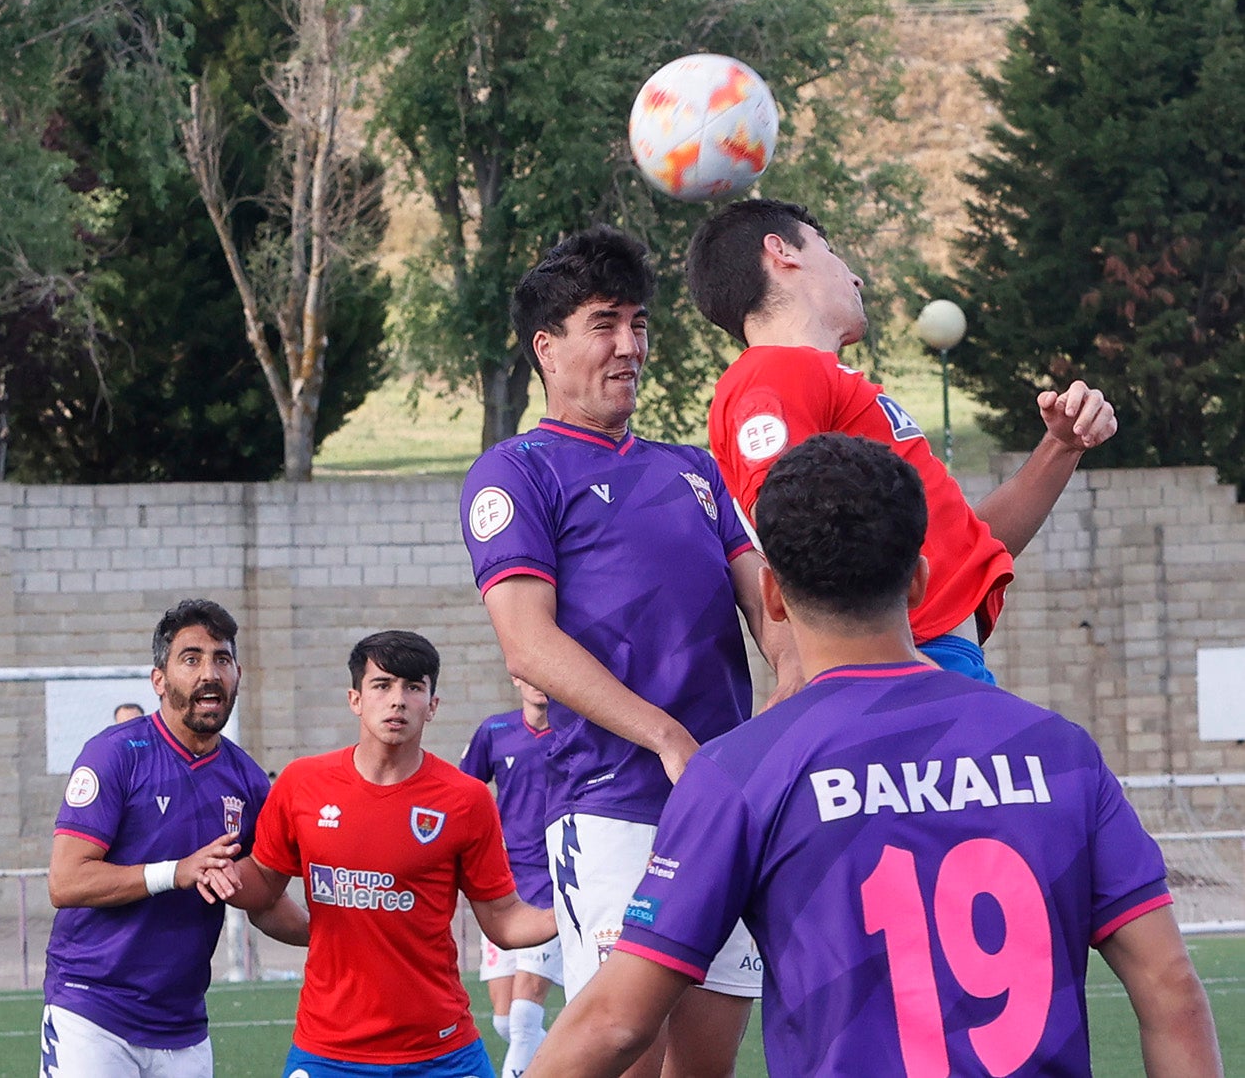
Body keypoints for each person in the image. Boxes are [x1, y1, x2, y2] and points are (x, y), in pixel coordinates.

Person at [525, 433, 1223, 1078]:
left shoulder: (741, 774)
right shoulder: (1059, 751)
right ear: (918, 581)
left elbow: (617, 1023)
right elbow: (1170, 989)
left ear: (771, 595)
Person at [460, 226, 785, 1078]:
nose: (630, 345)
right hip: (611, 811)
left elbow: (775, 615)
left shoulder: (695, 470)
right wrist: (668, 738)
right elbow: (528, 643)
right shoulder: (516, 472)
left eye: (638, 324)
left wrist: (789, 712)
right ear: (546, 348)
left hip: (721, 811)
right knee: (623, 1056)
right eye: (604, 324)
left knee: (704, 1070)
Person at [686, 198, 1120, 683]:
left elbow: (970, 546)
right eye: (829, 251)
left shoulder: (823, 381)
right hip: (908, 663)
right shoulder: (776, 370)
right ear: (781, 252)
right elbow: (794, 531)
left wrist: (1061, 446)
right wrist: (892, 666)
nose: (855, 278)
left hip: (933, 656)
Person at [200, 630, 557, 1078]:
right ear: (355, 699)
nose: (398, 700)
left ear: (432, 705)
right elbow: (264, 887)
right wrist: (210, 871)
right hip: (328, 1051)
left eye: (413, 687)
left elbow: (503, 920)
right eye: (382, 685)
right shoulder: (301, 783)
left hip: (442, 1052)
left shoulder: (466, 799)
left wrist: (573, 914)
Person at [41, 598, 309, 1078]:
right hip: (92, 1010)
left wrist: (333, 935)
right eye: (191, 659)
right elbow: (66, 881)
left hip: (183, 1025)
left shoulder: (248, 781)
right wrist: (176, 872)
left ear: (238, 675)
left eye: (221, 659)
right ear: (159, 680)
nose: (210, 673)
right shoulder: (115, 755)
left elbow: (263, 899)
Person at [460, 677, 564, 1077]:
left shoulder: (575, 733)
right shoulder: (495, 731)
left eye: (546, 675)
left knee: (522, 1019)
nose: (539, 684)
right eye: (530, 676)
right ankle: (573, 1061)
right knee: (505, 1021)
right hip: (503, 887)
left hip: (553, 883)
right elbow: (463, 791)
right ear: (516, 678)